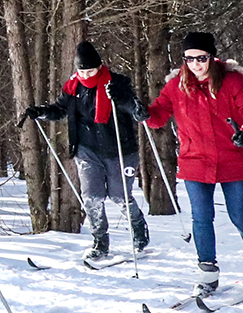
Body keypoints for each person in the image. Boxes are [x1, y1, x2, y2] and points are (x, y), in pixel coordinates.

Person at [142, 32, 243, 296]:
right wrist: (140, 110)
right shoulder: (176, 86)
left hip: (233, 160)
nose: (195, 64)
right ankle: (207, 276)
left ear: (211, 57)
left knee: (241, 217)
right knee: (201, 219)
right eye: (189, 59)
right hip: (195, 163)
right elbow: (157, 116)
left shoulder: (233, 81)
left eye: (201, 58)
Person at [23, 41, 150, 262]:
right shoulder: (73, 87)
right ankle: (100, 241)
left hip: (119, 149)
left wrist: (122, 98)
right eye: (82, 70)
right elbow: (60, 109)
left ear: (100, 66)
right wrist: (41, 112)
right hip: (87, 150)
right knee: (92, 197)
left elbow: (138, 112)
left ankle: (138, 226)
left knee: (119, 196)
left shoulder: (116, 83)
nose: (86, 75)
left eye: (90, 70)